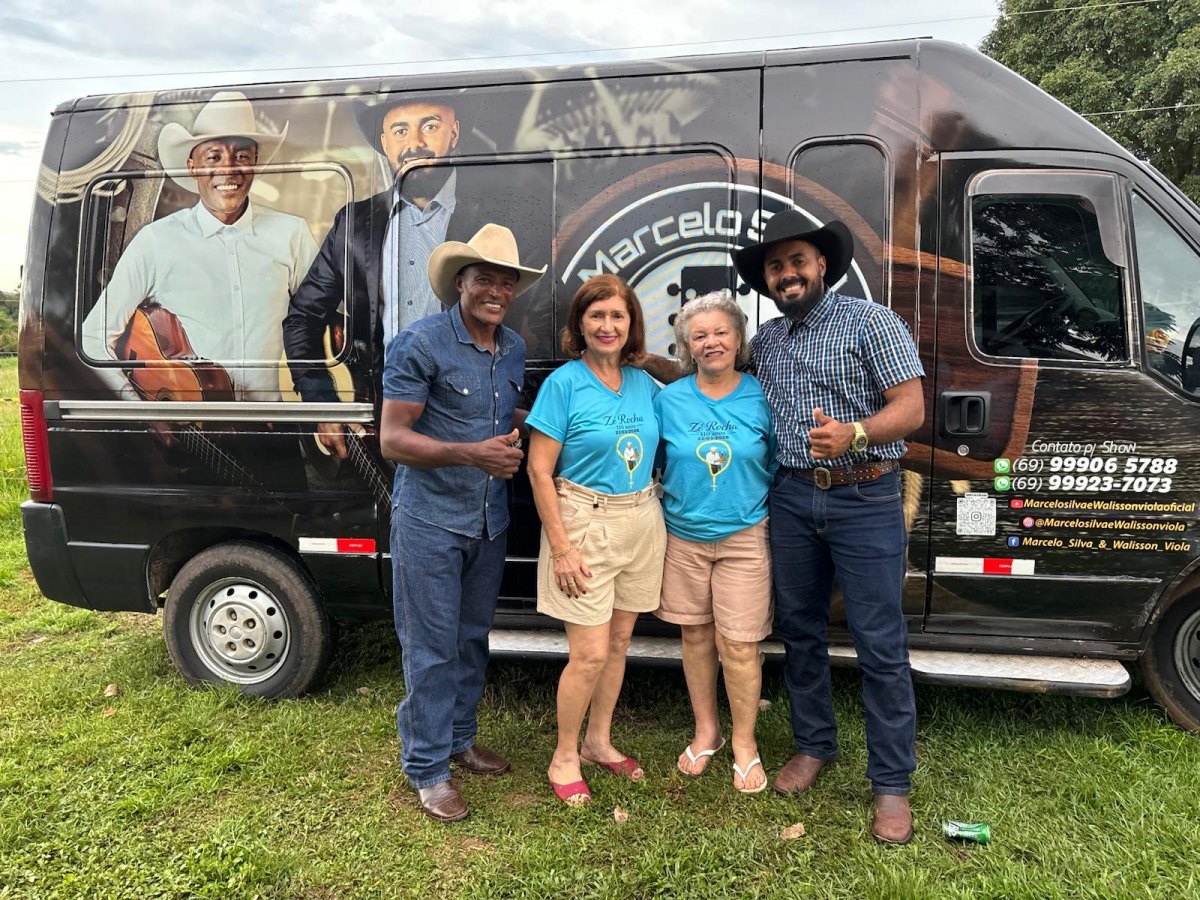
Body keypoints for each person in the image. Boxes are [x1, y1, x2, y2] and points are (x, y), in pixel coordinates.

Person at [735, 213, 925, 844]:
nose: (786, 274)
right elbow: (717, 378)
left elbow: (911, 407)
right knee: (800, 631)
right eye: (775, 266)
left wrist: (856, 433)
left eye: (797, 261)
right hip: (791, 495)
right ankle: (814, 744)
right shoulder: (766, 341)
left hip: (865, 495)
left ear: (822, 265)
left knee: (879, 642)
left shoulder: (871, 322)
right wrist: (649, 361)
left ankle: (891, 783)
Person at [380, 223, 546, 822]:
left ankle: (460, 739)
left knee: (472, 638)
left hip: (488, 522)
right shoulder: (419, 343)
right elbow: (393, 439)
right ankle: (427, 768)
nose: (496, 291)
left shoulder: (513, 348)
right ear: (460, 282)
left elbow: (500, 412)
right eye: (484, 280)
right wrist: (474, 454)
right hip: (430, 520)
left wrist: (557, 422)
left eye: (506, 282)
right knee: (430, 648)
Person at [284, 92, 543, 458]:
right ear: (385, 143)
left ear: (454, 133)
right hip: (382, 428)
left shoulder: (502, 216)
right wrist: (322, 403)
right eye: (400, 131)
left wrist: (508, 408)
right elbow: (302, 318)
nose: (414, 143)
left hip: (477, 430)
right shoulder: (355, 224)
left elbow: (543, 324)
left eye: (430, 126)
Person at [525, 274, 665, 805]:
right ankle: (564, 756)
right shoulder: (563, 385)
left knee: (619, 644)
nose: (607, 326)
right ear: (579, 325)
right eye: (596, 316)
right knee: (587, 654)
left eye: (617, 316)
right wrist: (562, 548)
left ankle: (598, 741)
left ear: (631, 324)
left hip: (641, 519)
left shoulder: (644, 383)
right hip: (583, 523)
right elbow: (539, 471)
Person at [82, 90, 318, 402]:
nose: (228, 169)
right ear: (192, 166)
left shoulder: (292, 234)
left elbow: (325, 321)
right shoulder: (156, 241)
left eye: (241, 156)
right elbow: (94, 337)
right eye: (214, 157)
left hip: (275, 421)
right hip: (194, 425)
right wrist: (142, 410)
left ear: (256, 164)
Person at [653, 290, 776, 794]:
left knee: (740, 645)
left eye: (721, 332)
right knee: (696, 638)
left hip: (745, 537)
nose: (711, 343)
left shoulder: (763, 396)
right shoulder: (669, 400)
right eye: (699, 336)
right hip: (683, 538)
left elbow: (779, 459)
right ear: (686, 346)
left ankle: (744, 742)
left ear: (739, 338)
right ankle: (708, 731)